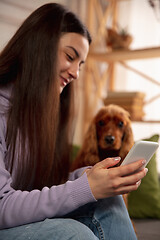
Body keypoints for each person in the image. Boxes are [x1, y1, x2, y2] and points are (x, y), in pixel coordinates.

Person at [0, 3, 148, 240]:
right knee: (74, 233)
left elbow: (36, 190)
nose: (76, 73)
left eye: (80, 64)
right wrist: (85, 188)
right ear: (39, 45)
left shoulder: (41, 112)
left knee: (110, 198)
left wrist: (87, 177)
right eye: (70, 56)